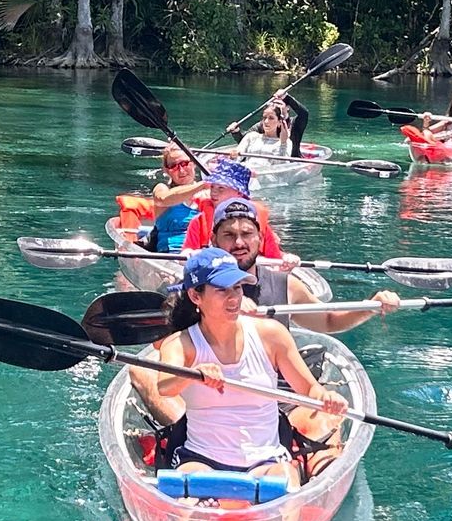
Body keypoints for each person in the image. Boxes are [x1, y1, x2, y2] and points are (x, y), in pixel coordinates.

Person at [128, 248, 353, 503]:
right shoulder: (181, 343)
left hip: (267, 459)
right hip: (201, 460)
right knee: (190, 502)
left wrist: (327, 398)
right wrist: (194, 374)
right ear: (195, 296)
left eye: (237, 287)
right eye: (222, 290)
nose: (234, 297)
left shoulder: (271, 335)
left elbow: (310, 390)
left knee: (284, 492)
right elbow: (166, 387)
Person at [211, 197, 398, 334]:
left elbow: (328, 321)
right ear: (214, 240)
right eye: (229, 235)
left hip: (276, 382)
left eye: (246, 234)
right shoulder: (199, 288)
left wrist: (370, 307)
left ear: (260, 239)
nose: (239, 243)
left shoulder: (286, 285)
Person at [179, 159, 287, 256]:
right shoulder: (198, 221)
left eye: (221, 188)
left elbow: (275, 256)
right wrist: (191, 254)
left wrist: (287, 258)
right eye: (212, 186)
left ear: (239, 193)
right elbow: (186, 252)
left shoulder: (257, 224)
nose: (214, 191)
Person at [145, 144, 205, 252]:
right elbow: (163, 199)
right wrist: (202, 185)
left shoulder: (209, 194)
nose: (181, 170)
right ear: (167, 170)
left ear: (194, 163)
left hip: (204, 254)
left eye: (185, 163)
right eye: (174, 166)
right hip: (172, 255)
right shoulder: (162, 189)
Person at [230, 93, 309, 160]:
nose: (277, 106)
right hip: (267, 163)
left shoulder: (294, 124)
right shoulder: (262, 124)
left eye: (280, 104)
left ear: (288, 107)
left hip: (292, 161)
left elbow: (304, 114)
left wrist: (287, 97)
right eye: (274, 103)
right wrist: (236, 132)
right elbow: (244, 141)